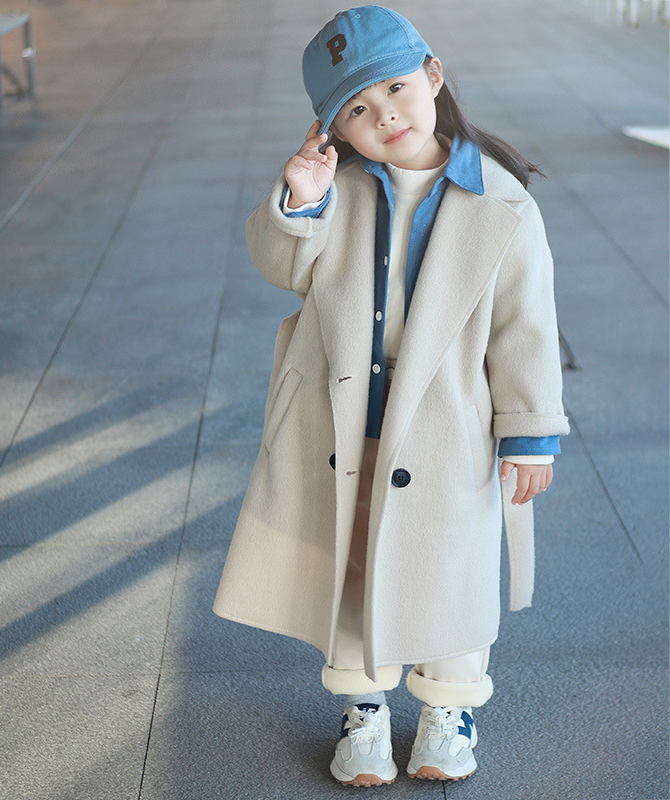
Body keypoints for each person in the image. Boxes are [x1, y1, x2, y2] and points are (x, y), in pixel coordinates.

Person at [213, 5, 569, 786]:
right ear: (333, 128)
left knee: (451, 566)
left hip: (449, 426)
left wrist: (530, 433)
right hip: (348, 421)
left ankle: (448, 707)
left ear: (434, 76)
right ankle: (363, 708)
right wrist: (300, 199)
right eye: (357, 110)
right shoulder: (336, 188)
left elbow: (525, 326)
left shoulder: (503, 201)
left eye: (397, 90)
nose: (385, 117)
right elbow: (283, 266)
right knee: (354, 566)